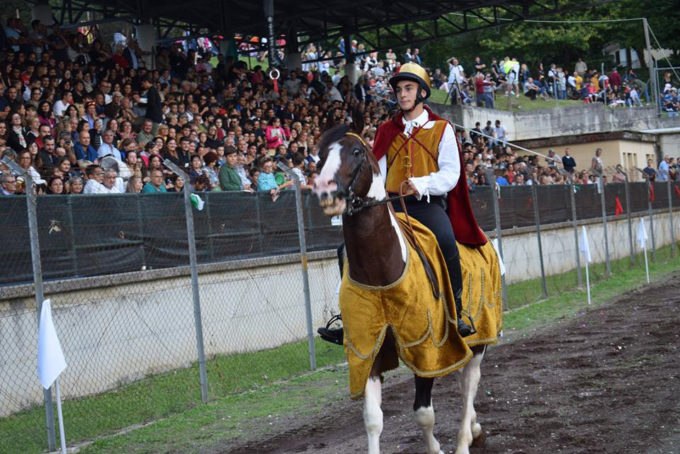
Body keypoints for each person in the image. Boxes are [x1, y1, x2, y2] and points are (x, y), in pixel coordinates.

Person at [320, 63, 485, 345]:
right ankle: (347, 320)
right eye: (398, 90)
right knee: (345, 249)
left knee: (445, 240)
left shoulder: (441, 129)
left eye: (408, 89)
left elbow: (450, 174)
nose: (402, 94)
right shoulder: (386, 130)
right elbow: (377, 173)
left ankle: (456, 311)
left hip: (426, 205)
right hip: (391, 207)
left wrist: (421, 184)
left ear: (422, 92)